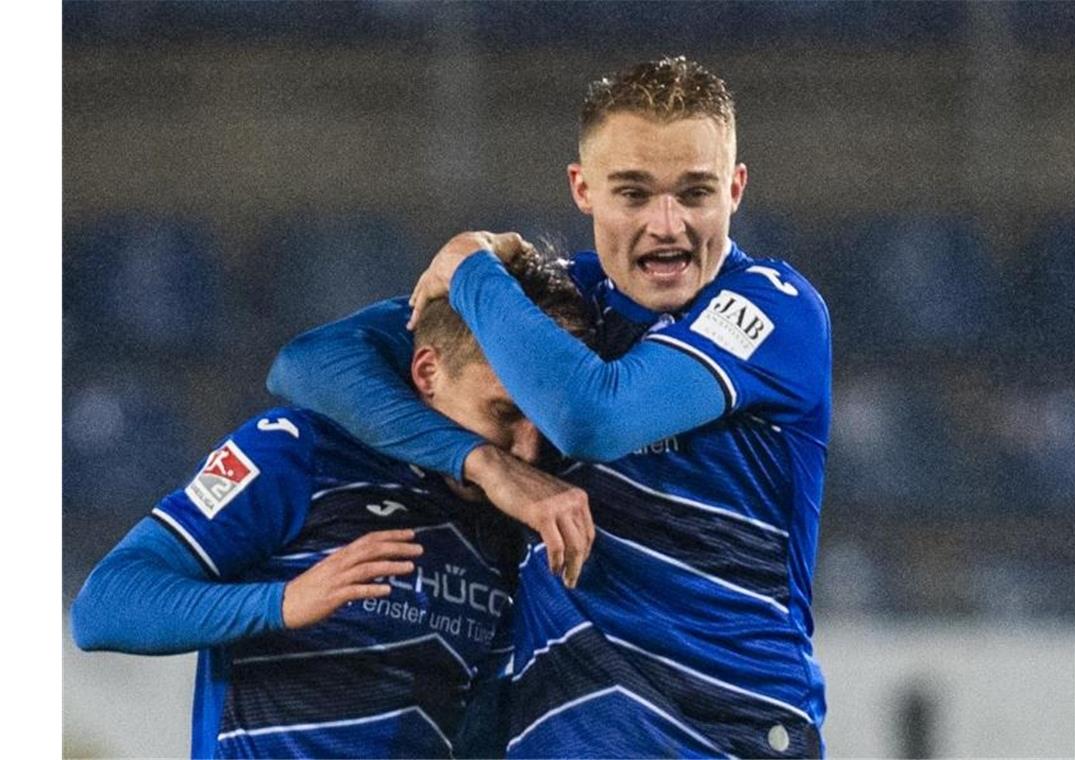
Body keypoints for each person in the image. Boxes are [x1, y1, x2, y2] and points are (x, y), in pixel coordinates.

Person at [270, 56, 830, 758]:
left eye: (696, 193)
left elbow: (594, 418)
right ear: (583, 189)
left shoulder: (774, 311)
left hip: (720, 735)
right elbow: (313, 362)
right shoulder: (556, 302)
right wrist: (483, 463)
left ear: (737, 189)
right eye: (633, 194)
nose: (668, 226)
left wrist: (471, 263)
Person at [70, 249, 594, 759]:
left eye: (543, 422)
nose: (526, 452)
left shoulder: (513, 529)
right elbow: (106, 606)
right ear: (428, 372)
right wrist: (283, 602)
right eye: (503, 412)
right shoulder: (297, 450)